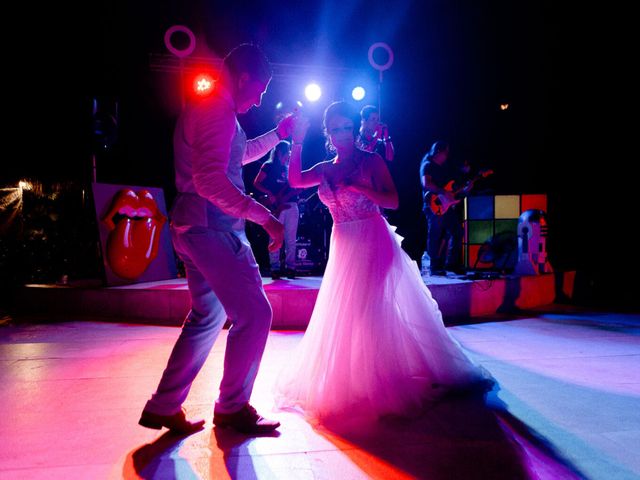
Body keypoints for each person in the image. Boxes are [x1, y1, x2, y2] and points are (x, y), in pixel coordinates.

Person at [274, 101, 492, 425]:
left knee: (367, 311)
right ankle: (358, 379)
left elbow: (393, 200)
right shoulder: (324, 167)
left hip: (373, 239)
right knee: (349, 314)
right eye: (335, 129)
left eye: (347, 127)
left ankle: (380, 382)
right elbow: (294, 180)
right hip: (343, 245)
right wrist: (298, 139)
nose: (342, 135)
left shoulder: (370, 161)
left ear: (354, 128)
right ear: (328, 132)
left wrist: (358, 186)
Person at [138, 43, 297, 435]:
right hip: (213, 227)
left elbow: (233, 157)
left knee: (207, 316)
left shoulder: (211, 108)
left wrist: (278, 136)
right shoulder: (216, 109)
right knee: (256, 314)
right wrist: (266, 219)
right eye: (259, 88)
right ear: (243, 77)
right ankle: (232, 407)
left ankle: (163, 405)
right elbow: (210, 180)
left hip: (193, 226)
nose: (260, 98)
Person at [253, 140, 301, 279]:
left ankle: (291, 268)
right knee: (274, 236)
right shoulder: (268, 166)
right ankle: (275, 268)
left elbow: (295, 186)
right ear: (280, 151)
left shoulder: (288, 167)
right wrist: (270, 194)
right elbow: (256, 183)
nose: (289, 154)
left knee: (291, 238)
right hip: (275, 206)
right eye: (287, 151)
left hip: (291, 205)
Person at [420, 141, 466, 276]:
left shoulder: (443, 168)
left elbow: (450, 187)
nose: (447, 155)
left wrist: (455, 195)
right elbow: (426, 184)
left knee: (457, 231)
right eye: (445, 152)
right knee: (435, 235)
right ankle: (433, 267)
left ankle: (452, 264)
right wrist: (443, 192)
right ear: (438, 152)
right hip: (433, 205)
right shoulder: (427, 165)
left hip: (445, 205)